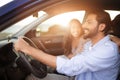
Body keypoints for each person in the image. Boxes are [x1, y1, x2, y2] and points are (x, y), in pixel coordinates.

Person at [14, 10, 120, 80]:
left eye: (89, 22)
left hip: (73, 75)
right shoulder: (90, 45)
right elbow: (73, 62)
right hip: (74, 77)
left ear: (101, 27)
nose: (83, 25)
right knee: (32, 76)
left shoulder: (108, 50)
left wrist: (27, 49)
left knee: (32, 78)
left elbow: (70, 66)